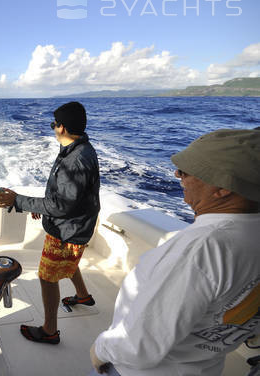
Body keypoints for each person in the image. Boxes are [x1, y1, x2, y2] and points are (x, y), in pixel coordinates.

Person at [90, 129, 260, 376]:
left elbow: (139, 347)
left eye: (187, 171)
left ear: (222, 187)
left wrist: (100, 349)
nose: (177, 174)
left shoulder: (201, 249)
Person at [0, 101, 100, 344]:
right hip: (72, 224)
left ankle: (49, 331)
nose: (53, 128)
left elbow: (62, 206)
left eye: (54, 124)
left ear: (61, 128)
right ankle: (83, 296)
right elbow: (62, 197)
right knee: (70, 261)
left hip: (68, 230)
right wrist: (41, 206)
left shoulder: (76, 160)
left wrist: (18, 201)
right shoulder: (77, 148)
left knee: (47, 277)